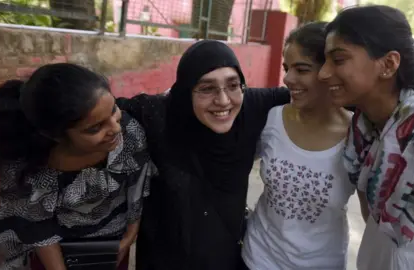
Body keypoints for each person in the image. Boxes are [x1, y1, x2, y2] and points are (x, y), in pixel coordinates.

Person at [318, 5, 414, 270]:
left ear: (388, 64)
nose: (323, 73)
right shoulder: (364, 137)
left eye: (339, 60)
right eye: (324, 61)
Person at [116, 40, 290, 270]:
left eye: (233, 85)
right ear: (186, 90)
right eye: (207, 88)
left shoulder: (251, 108)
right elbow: (94, 110)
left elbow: (310, 92)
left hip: (225, 258)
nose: (223, 100)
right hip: (163, 261)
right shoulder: (157, 115)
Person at [0, 63, 155, 270]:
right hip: (45, 255)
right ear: (55, 135)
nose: (115, 128)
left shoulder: (129, 133)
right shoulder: (26, 165)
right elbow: (37, 228)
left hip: (109, 248)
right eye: (95, 128)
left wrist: (128, 238)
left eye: (113, 110)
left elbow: (138, 189)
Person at [241, 22, 355, 270]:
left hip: (321, 262)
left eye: (301, 70)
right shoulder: (271, 119)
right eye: (286, 68)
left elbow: (377, 216)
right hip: (258, 256)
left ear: (329, 71)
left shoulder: (358, 135)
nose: (288, 78)